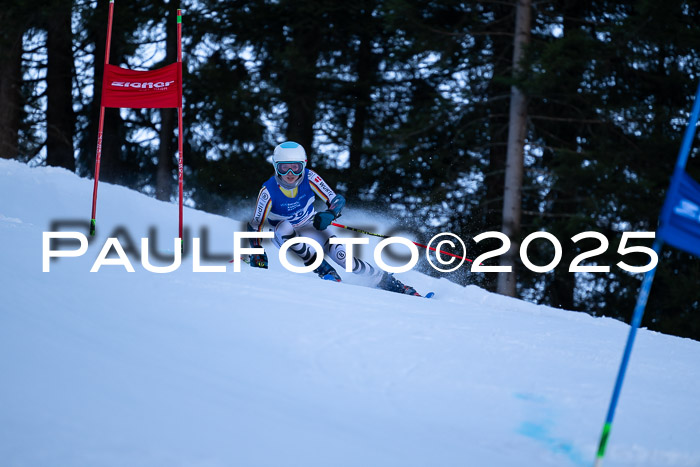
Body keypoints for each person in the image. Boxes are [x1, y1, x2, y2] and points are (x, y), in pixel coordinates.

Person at [246, 141, 419, 296]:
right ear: (276, 167)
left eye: (296, 167)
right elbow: (255, 225)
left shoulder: (310, 177)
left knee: (344, 258)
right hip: (284, 235)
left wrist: (330, 213)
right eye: (284, 167)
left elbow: (336, 200)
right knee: (285, 227)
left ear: (303, 165)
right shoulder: (268, 191)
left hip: (310, 226)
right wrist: (257, 252)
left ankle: (390, 283)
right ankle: (325, 270)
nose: (290, 173)